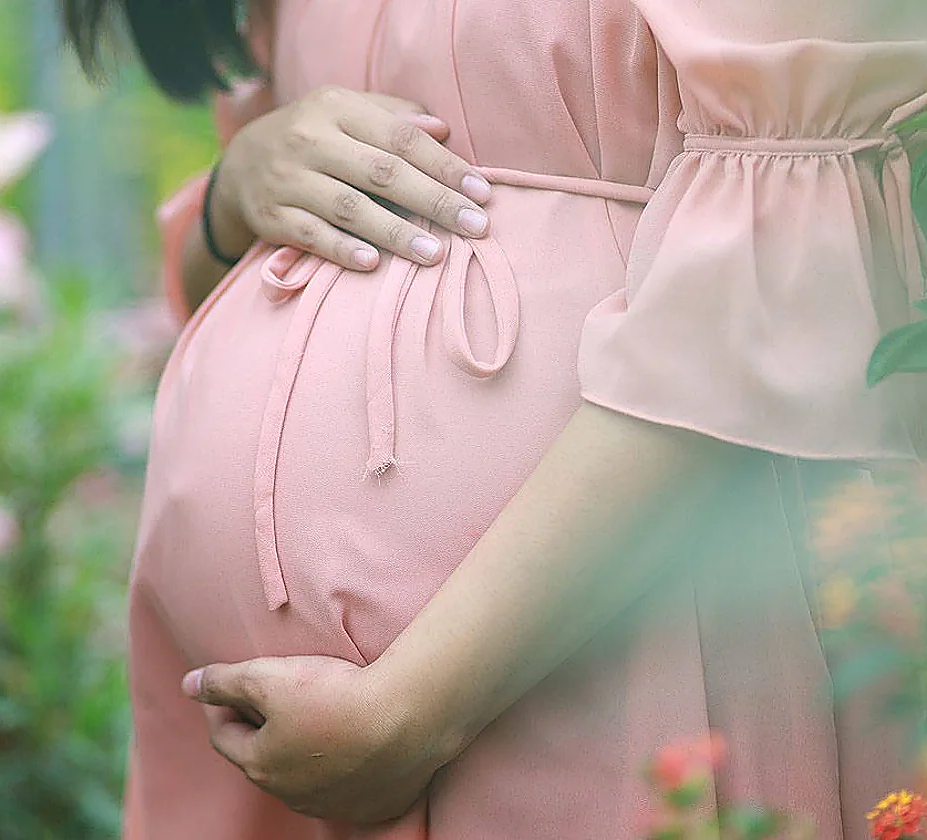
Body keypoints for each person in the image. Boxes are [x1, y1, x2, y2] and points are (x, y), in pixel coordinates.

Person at [63, 0, 927, 836]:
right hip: (282, 761)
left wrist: (409, 712)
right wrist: (235, 186)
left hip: (619, 637)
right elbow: (239, 263)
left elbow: (785, 279)